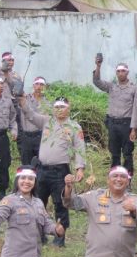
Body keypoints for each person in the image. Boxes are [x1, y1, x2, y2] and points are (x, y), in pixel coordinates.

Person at [20, 97, 87, 248]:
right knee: (38, 202)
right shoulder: (46, 122)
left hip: (60, 172)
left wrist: (80, 168)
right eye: (56, 107)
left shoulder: (74, 127)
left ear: (68, 108)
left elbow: (79, 148)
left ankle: (59, 238)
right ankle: (39, 235)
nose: (59, 109)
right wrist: (22, 98)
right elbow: (30, 114)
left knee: (61, 204)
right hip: (42, 170)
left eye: (62, 106)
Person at [94, 58, 137, 180]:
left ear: (127, 72)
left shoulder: (134, 89)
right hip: (112, 124)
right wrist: (98, 66)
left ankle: (127, 178)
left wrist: (134, 128)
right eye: (118, 71)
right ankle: (114, 177)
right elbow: (97, 81)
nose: (120, 73)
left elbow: (136, 110)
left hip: (126, 124)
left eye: (123, 71)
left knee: (127, 153)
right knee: (114, 153)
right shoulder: (111, 86)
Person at [17, 77, 48, 168]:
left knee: (41, 162)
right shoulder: (24, 99)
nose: (39, 87)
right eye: (37, 84)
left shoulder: (48, 102)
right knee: (26, 163)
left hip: (41, 136)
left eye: (42, 85)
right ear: (33, 86)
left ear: (45, 87)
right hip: (27, 136)